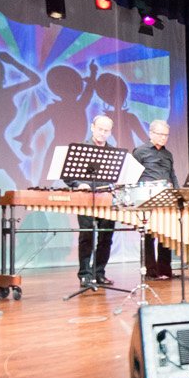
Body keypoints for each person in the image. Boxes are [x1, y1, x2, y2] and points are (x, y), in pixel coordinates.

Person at [70, 114, 118, 289]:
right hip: (85, 198)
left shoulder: (113, 152)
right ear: (92, 128)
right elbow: (68, 175)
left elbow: (118, 176)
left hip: (106, 199)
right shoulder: (81, 149)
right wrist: (78, 184)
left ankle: (99, 272)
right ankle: (85, 275)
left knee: (106, 237)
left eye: (106, 130)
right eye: (100, 129)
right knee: (87, 236)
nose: (103, 133)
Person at [132, 119, 177, 279]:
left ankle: (164, 270)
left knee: (166, 234)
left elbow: (172, 175)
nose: (163, 137)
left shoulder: (168, 154)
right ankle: (150, 271)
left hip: (166, 198)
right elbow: (132, 175)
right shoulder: (139, 151)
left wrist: (177, 194)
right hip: (146, 198)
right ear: (151, 133)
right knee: (148, 235)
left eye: (166, 135)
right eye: (160, 134)